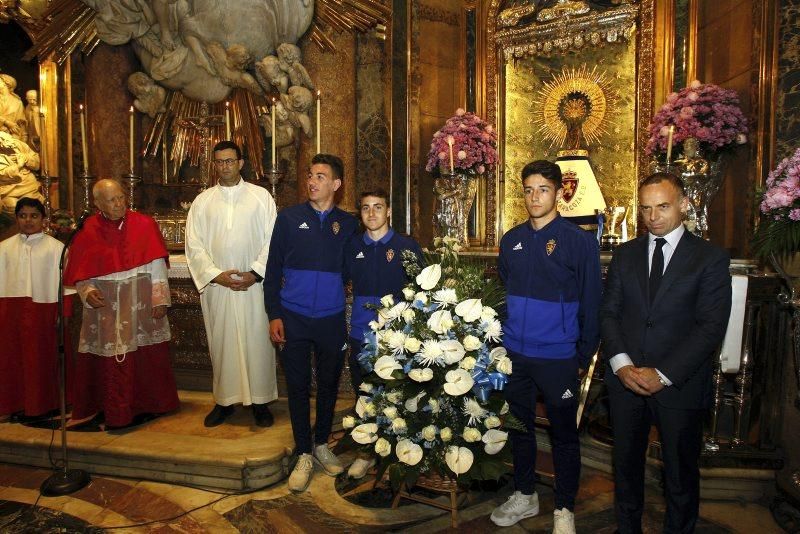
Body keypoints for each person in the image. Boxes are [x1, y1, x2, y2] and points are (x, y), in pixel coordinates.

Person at [600, 172, 731, 533]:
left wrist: (663, 374)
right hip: (625, 383)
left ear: (684, 204)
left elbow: (710, 327)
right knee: (625, 470)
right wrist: (623, 366)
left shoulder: (710, 259)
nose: (653, 216)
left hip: (679, 384)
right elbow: (608, 314)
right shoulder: (624, 256)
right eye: (645, 209)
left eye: (662, 206)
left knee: (680, 475)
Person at [491, 160, 601, 533]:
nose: (534, 196)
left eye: (542, 189)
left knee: (563, 434)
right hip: (516, 355)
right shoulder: (511, 240)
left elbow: (591, 301)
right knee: (519, 428)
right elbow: (505, 291)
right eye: (528, 189)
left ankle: (564, 508)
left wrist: (582, 355)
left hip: (558, 357)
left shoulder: (579, 241)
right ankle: (524, 494)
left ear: (557, 193)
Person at [264, 153, 358, 492]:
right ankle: (303, 452)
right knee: (299, 387)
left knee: (330, 384)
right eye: (310, 174)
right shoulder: (289, 219)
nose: (312, 180)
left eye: (320, 176)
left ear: (336, 184)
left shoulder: (347, 224)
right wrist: (274, 313)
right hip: (294, 318)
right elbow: (272, 271)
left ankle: (321, 444)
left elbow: (353, 270)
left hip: (331, 318)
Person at [63, 179, 179, 430]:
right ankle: (108, 406)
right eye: (111, 200)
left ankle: (149, 404)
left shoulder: (144, 224)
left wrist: (159, 299)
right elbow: (81, 272)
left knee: (144, 354)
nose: (119, 204)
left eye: (121, 197)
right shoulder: (87, 229)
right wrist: (88, 291)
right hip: (105, 307)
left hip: (138, 301)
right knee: (107, 356)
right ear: (97, 203)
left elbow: (157, 265)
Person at [185, 140, 278, 428]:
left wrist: (255, 272)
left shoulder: (261, 197)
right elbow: (194, 245)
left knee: (257, 342)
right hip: (218, 288)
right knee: (222, 343)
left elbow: (273, 240)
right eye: (219, 162)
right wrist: (215, 274)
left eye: (229, 160)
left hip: (253, 287)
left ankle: (261, 402)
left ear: (240, 163)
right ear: (215, 165)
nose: (224, 166)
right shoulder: (202, 201)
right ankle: (224, 402)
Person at [343, 189, 423, 479]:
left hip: (398, 336)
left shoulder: (406, 246)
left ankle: (397, 457)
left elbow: (421, 290)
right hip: (362, 333)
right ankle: (365, 453)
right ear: (360, 213)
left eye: (378, 207)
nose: (372, 213)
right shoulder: (352, 246)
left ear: (389, 211)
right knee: (365, 394)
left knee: (399, 396)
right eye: (366, 208)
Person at [0, 198, 73, 420]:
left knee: (40, 360)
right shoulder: (4, 248)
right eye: (23, 216)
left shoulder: (57, 249)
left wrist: (64, 314)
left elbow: (67, 286)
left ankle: (41, 406)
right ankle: (10, 405)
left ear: (43, 219)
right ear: (17, 219)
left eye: (34, 216)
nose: (28, 220)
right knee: (11, 360)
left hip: (44, 311)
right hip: (9, 312)